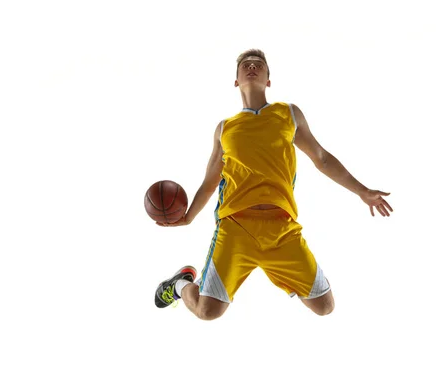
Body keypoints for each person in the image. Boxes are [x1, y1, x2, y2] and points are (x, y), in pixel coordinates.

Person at [154, 49, 393, 320]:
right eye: (246, 65)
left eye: (259, 65)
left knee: (324, 307)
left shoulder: (288, 114)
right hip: (236, 228)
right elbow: (210, 180)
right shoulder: (225, 128)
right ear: (236, 80)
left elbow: (322, 158)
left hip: (282, 229)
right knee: (207, 312)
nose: (252, 67)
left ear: (269, 80)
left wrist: (362, 191)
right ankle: (180, 284)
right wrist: (187, 218)